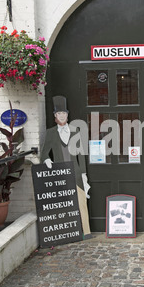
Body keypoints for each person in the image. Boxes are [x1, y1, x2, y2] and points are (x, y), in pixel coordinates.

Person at [40, 95, 91, 237]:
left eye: (64, 113)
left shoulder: (75, 131)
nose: (62, 116)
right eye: (59, 114)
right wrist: (47, 161)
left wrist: (83, 174)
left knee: (81, 203)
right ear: (55, 116)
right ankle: (67, 233)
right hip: (60, 174)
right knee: (64, 204)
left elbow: (81, 155)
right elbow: (44, 154)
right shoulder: (51, 133)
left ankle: (86, 231)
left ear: (67, 115)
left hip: (76, 173)